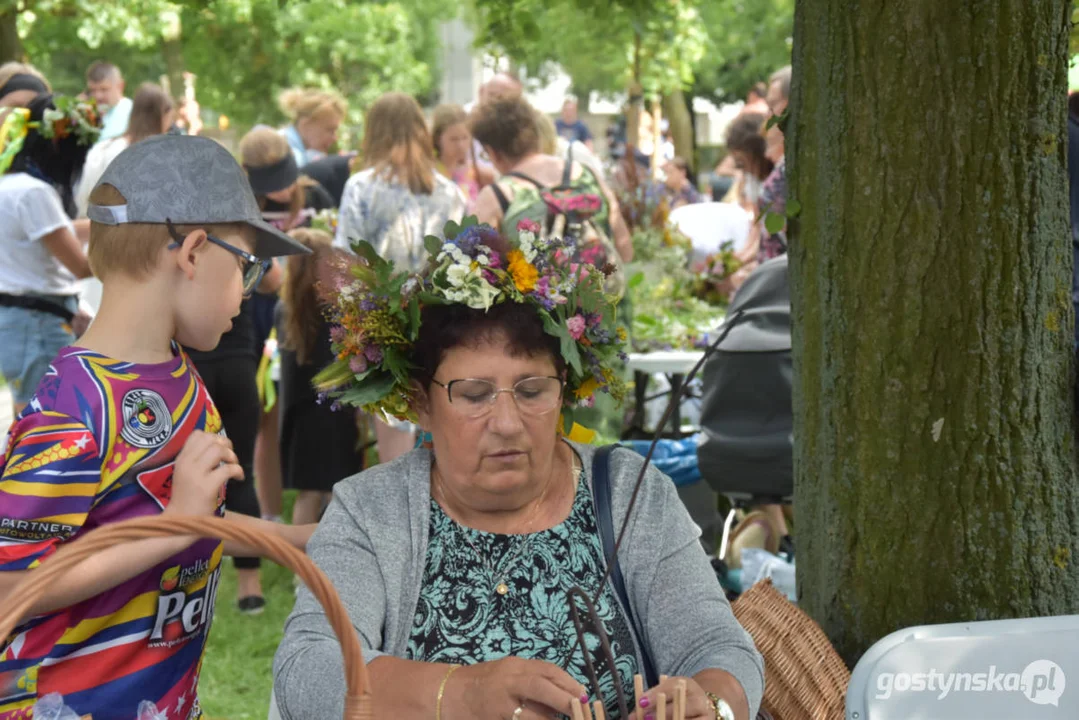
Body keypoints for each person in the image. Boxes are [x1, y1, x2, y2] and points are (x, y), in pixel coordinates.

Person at [274, 219, 763, 720]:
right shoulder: (370, 512)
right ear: (421, 404)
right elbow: (309, 670)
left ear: (565, 391)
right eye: (473, 394)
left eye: (532, 391)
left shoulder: (631, 493)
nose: (507, 423)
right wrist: (461, 693)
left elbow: (716, 645)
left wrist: (713, 705)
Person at [0, 134, 314, 718]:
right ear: (193, 252)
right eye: (245, 267)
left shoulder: (177, 372)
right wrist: (175, 527)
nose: (246, 295)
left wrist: (291, 542)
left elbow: (185, 515)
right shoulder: (76, 409)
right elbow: (10, 587)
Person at [335, 92, 466, 463]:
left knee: (393, 456)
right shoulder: (450, 193)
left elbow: (346, 263)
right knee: (442, 446)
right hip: (442, 326)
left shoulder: (361, 188)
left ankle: (397, 521)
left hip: (381, 329)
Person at [238, 126, 337, 521]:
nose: (279, 192)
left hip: (312, 317)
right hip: (264, 314)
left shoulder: (316, 197)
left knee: (315, 409)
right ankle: (270, 513)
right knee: (268, 414)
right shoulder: (244, 206)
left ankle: (324, 500)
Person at [0, 90, 95, 417]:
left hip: (22, 320)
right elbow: (81, 266)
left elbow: (61, 231)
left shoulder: (12, 185)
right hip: (40, 323)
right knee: (46, 424)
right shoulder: (34, 193)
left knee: (28, 419)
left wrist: (111, 225)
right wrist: (131, 252)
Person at [471, 96, 632, 262]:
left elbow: (475, 272)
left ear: (493, 152)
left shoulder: (497, 196)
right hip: (603, 287)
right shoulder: (588, 175)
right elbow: (625, 251)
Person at [276, 228, 364, 526]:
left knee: (308, 494)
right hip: (335, 413)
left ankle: (300, 567)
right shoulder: (334, 309)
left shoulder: (285, 309)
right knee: (339, 491)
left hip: (300, 416)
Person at [75, 82, 175, 218]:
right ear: (163, 115)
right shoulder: (158, 156)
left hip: (94, 227)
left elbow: (83, 198)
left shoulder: (103, 148)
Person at [432, 103, 494, 207]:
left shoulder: (480, 175)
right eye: (453, 139)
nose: (460, 145)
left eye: (465, 138)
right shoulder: (429, 173)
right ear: (438, 139)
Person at [278, 87, 347, 167]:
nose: (335, 138)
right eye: (330, 130)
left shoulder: (296, 150)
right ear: (306, 124)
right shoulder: (290, 156)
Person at [85, 61, 132, 141]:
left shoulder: (132, 114)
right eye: (93, 90)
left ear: (120, 86)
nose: (98, 96)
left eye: (104, 89)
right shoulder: (87, 115)